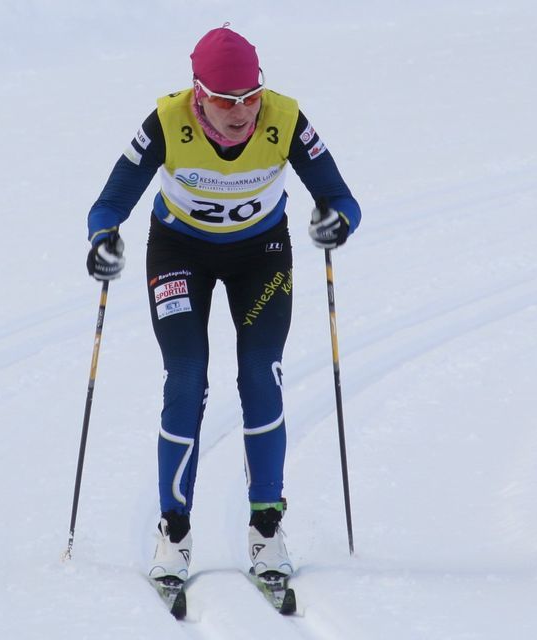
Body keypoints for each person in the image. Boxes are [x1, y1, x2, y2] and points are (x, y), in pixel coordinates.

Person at [85, 25, 361, 585]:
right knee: (186, 377)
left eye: (251, 97)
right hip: (178, 251)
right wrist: (102, 240)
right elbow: (108, 203)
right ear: (199, 94)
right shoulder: (165, 122)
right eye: (228, 101)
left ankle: (266, 527)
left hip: (260, 253)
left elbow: (342, 197)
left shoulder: (285, 118)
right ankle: (175, 531)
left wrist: (337, 222)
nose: (243, 113)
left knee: (261, 374)